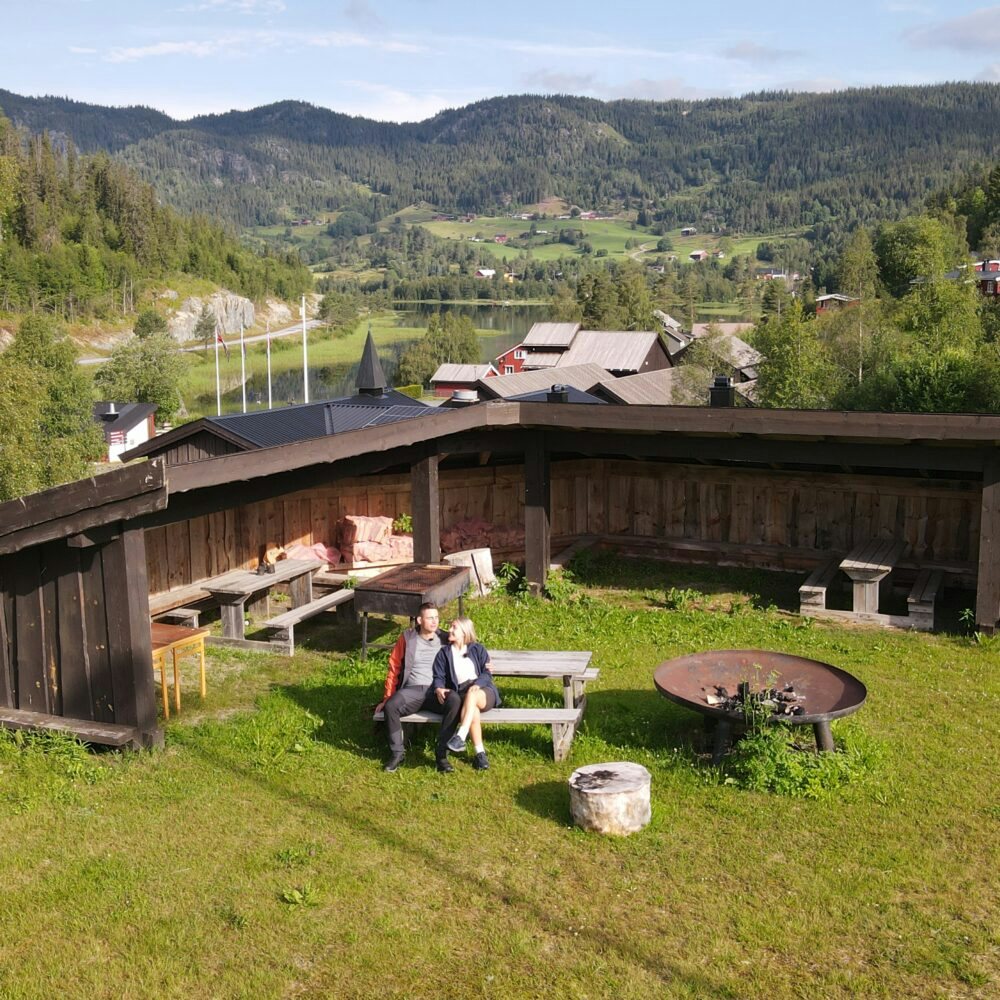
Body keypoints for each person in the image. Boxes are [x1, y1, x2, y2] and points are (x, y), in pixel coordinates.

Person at [376, 602, 450, 773]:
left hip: (437, 690)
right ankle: (397, 753)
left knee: (454, 702)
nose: (434, 621)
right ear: (419, 620)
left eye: (436, 617)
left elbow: (469, 649)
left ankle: (442, 755)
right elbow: (394, 667)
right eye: (430, 618)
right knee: (392, 706)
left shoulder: (446, 639)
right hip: (413, 690)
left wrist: (484, 662)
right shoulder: (408, 638)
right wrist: (387, 697)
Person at [432, 616, 500, 771]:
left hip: (483, 690)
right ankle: (480, 755)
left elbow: (487, 672)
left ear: (464, 632)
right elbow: (438, 676)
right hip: (462, 693)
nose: (450, 630)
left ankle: (461, 735)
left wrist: (477, 684)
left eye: (454, 627)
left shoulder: (477, 649)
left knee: (473, 695)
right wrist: (439, 688)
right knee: (472, 710)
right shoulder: (444, 653)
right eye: (450, 627)